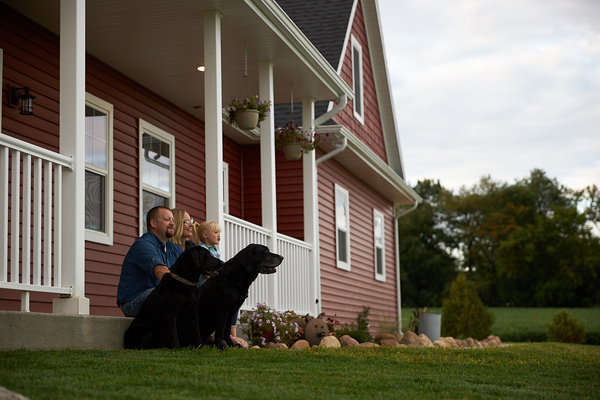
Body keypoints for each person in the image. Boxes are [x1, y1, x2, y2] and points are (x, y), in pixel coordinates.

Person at [116, 206, 184, 317]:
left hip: (156, 295)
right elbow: (161, 272)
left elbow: (191, 264)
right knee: (165, 294)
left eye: (173, 220)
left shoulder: (172, 248)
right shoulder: (144, 244)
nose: (172, 223)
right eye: (167, 219)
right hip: (133, 302)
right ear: (153, 223)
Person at [195, 221, 245, 347]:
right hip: (202, 288)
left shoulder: (215, 250)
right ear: (205, 234)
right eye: (215, 232)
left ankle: (230, 334)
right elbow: (207, 272)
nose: (219, 235)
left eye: (219, 233)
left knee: (233, 299)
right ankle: (224, 336)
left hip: (213, 288)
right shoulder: (202, 251)